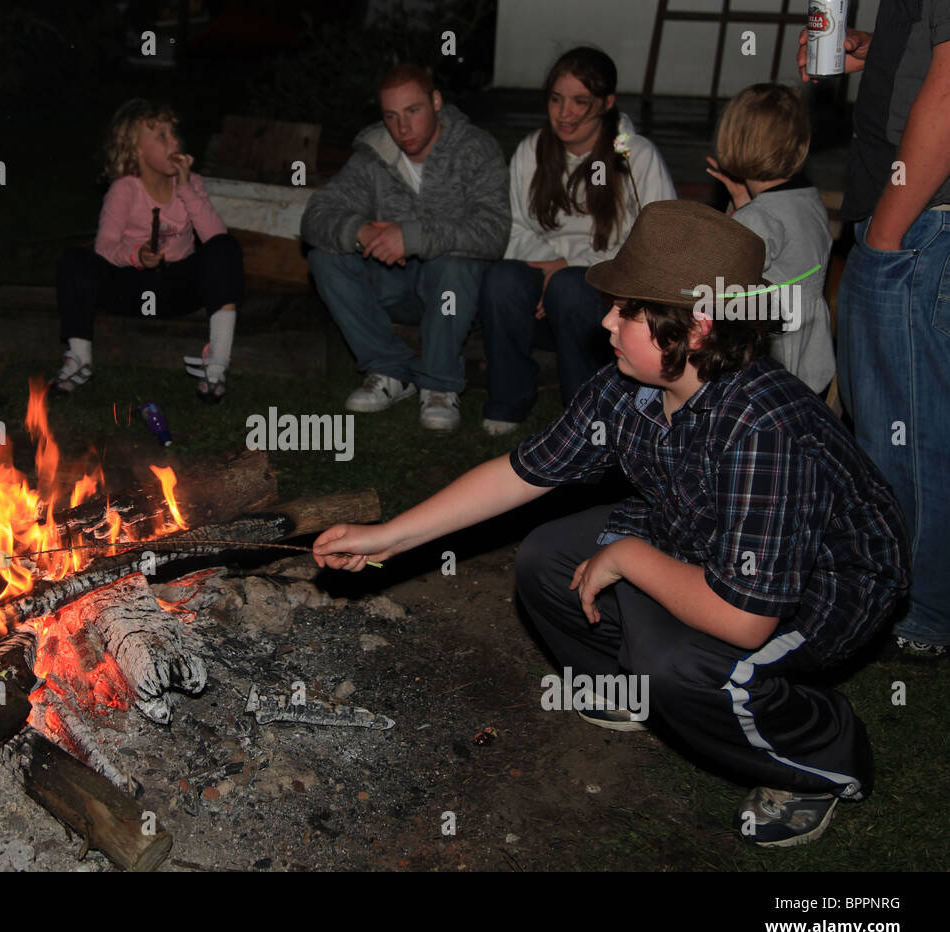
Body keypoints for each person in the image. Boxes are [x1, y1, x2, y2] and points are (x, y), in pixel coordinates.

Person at [313, 201, 909, 847]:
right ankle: (631, 690)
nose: (606, 320)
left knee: (679, 663)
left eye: (627, 310)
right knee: (547, 555)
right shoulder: (629, 387)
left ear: (696, 329)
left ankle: (817, 759)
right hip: (700, 530)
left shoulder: (763, 429)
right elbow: (520, 474)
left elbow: (744, 618)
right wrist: (388, 536)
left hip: (825, 585)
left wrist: (627, 556)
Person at [796, 6, 950, 660]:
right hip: (911, 219)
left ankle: (920, 617)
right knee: (892, 424)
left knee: (910, 435)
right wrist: (877, 50)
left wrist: (888, 232)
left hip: (919, 222)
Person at [301, 64, 510, 431]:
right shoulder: (374, 155)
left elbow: (493, 231)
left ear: (436, 101)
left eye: (413, 111)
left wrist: (411, 237)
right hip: (395, 284)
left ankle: (439, 384)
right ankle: (389, 369)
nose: (402, 128)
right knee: (324, 256)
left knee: (455, 263)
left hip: (455, 294)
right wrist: (363, 232)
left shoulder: (475, 150)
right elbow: (315, 217)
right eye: (391, 116)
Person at [479, 47, 675, 436]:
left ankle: (586, 412)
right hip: (543, 280)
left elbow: (658, 239)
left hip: (606, 295)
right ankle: (508, 399)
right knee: (501, 280)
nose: (564, 113)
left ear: (606, 103)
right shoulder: (533, 149)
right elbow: (513, 226)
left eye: (579, 102)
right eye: (556, 99)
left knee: (570, 286)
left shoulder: (635, 156)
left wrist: (571, 268)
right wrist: (549, 267)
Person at [53, 99, 243, 403]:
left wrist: (185, 189)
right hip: (131, 286)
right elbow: (104, 247)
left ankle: (217, 363)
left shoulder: (192, 184)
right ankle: (79, 359)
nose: (174, 142)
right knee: (75, 260)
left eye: (173, 134)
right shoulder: (125, 190)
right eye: (161, 136)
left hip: (177, 289)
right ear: (137, 150)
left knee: (225, 247)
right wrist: (136, 256)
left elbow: (214, 236)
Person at [706, 83, 835, 394]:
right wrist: (743, 202)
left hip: (771, 360)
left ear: (734, 140)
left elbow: (716, 279)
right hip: (811, 351)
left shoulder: (759, 217)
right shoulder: (807, 197)